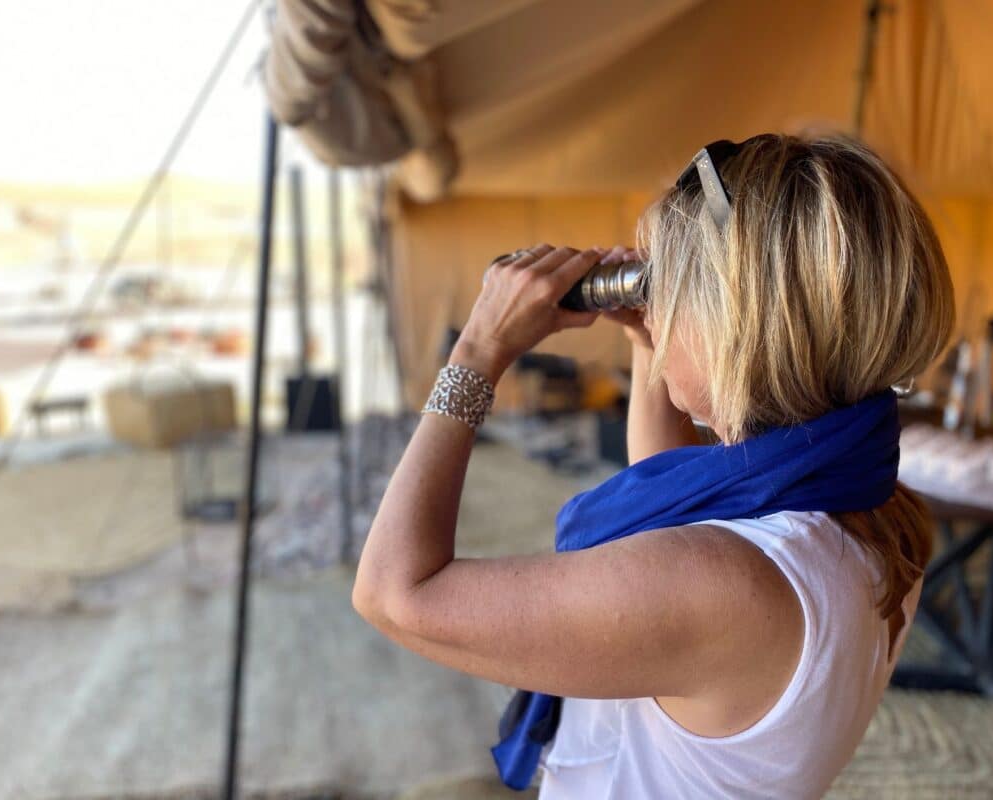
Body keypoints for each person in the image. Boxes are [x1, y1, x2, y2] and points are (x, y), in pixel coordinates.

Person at [351, 133, 955, 798]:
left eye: (675, 293)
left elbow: (394, 595)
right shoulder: (872, 503)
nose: (661, 315)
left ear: (734, 327)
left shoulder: (726, 586)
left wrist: (477, 350)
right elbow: (674, 498)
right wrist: (650, 345)